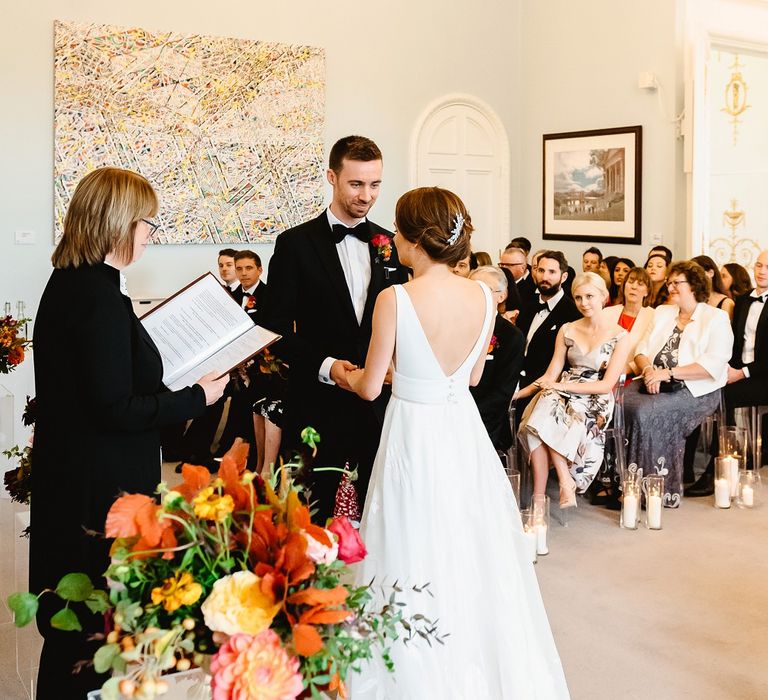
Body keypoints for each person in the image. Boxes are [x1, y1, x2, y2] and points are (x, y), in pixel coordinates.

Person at [346, 187, 569, 699]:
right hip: (461, 427)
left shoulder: (395, 297)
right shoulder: (480, 295)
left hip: (414, 427)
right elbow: (471, 378)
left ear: (414, 239)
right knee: (469, 537)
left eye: (398, 230)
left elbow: (369, 384)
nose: (394, 239)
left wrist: (342, 371)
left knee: (409, 534)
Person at [30, 167, 228, 699]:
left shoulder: (77, 283)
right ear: (118, 221)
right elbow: (115, 408)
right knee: (91, 626)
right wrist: (197, 398)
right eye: (147, 223)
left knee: (79, 626)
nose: (150, 235)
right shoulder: (95, 296)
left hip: (77, 472)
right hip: (98, 486)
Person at [262, 135, 408, 521]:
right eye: (356, 184)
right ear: (332, 177)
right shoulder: (294, 244)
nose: (367, 195)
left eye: (375, 184)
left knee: (378, 510)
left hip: (378, 401)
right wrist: (329, 367)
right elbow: (272, 328)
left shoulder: (390, 244)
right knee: (311, 513)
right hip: (316, 400)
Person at [623, 261, 733, 506]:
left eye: (676, 282)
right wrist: (649, 369)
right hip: (652, 379)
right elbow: (641, 350)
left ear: (694, 285)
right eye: (669, 282)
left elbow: (712, 365)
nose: (670, 286)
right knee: (618, 401)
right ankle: (619, 480)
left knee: (644, 412)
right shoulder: (663, 312)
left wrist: (668, 373)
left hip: (695, 389)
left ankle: (651, 490)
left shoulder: (716, 318)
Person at [516, 273, 631, 506]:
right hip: (561, 391)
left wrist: (558, 386)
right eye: (578, 297)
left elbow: (607, 385)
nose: (583, 303)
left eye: (589, 296)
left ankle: (547, 492)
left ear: (604, 297)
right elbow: (550, 375)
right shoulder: (567, 329)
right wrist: (516, 393)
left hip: (595, 397)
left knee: (552, 414)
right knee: (541, 411)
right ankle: (554, 486)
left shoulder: (621, 336)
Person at [687, 250, 768, 495]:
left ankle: (718, 468)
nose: (762, 271)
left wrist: (741, 373)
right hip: (738, 371)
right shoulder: (743, 300)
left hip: (763, 377)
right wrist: (723, 369)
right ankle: (693, 464)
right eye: (759, 265)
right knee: (703, 389)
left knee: (722, 397)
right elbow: (732, 344)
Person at [468, 265, 526, 450]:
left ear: (502, 296)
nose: (477, 296)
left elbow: (502, 392)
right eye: (472, 289)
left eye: (485, 290)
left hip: (484, 417)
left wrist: (467, 413)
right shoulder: (456, 326)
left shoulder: (511, 336)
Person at [516, 250, 581, 398]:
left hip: (545, 389)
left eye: (552, 272)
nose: (545, 277)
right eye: (541, 270)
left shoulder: (572, 314)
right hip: (515, 379)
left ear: (563, 277)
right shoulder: (527, 305)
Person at [603, 267, 655, 375]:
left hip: (633, 376)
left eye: (640, 284)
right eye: (630, 282)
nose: (634, 287)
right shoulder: (607, 313)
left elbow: (651, 352)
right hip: (603, 370)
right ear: (624, 286)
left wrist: (627, 370)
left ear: (647, 291)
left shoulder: (653, 316)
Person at [692, 254, 735, 320]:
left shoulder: (726, 303)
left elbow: (725, 328)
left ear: (711, 273)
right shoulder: (691, 299)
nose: (694, 278)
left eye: (698, 273)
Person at [500, 244, 536, 310]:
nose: (503, 268)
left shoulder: (531, 290)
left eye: (509, 265)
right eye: (502, 264)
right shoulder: (497, 285)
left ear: (522, 268)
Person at [233, 249, 266, 321]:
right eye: (239, 269)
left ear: (259, 271)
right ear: (235, 272)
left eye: (249, 268)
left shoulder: (273, 296)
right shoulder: (230, 297)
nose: (243, 273)